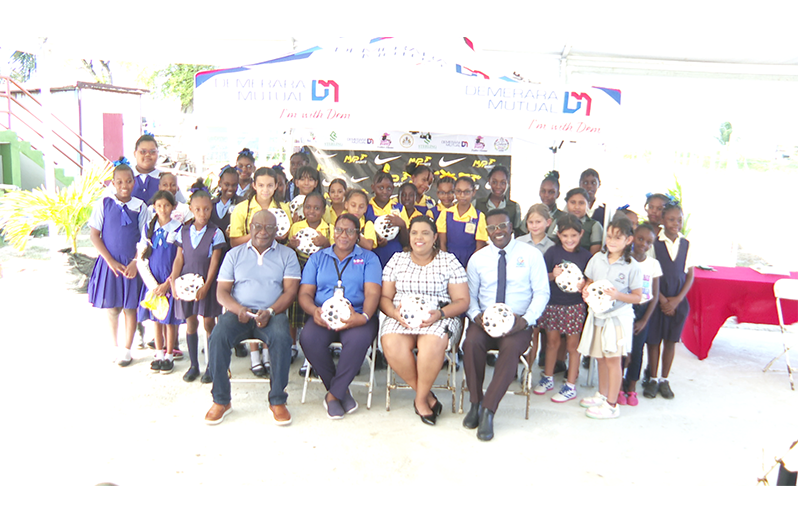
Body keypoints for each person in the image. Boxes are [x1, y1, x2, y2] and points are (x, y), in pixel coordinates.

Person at [204, 210, 301, 426]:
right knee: (217, 337)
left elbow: (290, 293)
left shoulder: (287, 255)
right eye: (258, 226)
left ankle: (277, 400)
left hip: (272, 313)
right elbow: (222, 292)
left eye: (269, 227)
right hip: (239, 313)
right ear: (250, 227)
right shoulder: (234, 254)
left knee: (282, 338)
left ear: (277, 230)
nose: (263, 232)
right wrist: (238, 309)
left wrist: (271, 311)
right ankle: (221, 400)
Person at [462, 209, 550, 441]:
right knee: (470, 343)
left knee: (510, 349)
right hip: (485, 321)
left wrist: (526, 320)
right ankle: (475, 403)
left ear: (512, 226)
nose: (497, 231)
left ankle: (489, 411)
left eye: (502, 225)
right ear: (486, 231)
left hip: (517, 322)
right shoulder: (478, 259)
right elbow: (469, 295)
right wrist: (475, 316)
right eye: (492, 228)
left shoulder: (530, 255)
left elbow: (541, 292)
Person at [380, 216, 469, 425]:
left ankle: (420, 400)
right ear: (409, 236)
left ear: (435, 236)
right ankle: (428, 396)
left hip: (438, 316)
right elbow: (384, 298)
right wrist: (394, 314)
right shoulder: (397, 260)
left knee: (431, 345)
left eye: (425, 233)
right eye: (414, 233)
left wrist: (440, 314)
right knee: (391, 343)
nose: (419, 237)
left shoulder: (449, 261)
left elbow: (462, 300)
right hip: (400, 317)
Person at [298, 214, 382, 419]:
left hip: (357, 315)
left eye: (349, 231)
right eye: (339, 230)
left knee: (358, 341)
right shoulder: (318, 258)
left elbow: (372, 293)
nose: (343, 235)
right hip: (323, 315)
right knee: (308, 339)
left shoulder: (369, 259)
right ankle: (341, 391)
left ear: (357, 235)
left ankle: (332, 396)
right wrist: (313, 311)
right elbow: (305, 294)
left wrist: (363, 317)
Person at [578, 214, 642, 420]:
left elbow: (637, 297)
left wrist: (617, 295)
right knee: (600, 357)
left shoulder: (632, 266)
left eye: (618, 237)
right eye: (609, 236)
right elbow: (588, 281)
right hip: (597, 315)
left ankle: (612, 404)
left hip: (618, 318)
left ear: (628, 240)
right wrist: (585, 291)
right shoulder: (597, 258)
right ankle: (602, 394)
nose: (612, 241)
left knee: (613, 359)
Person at [88, 160, 147, 367]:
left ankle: (126, 349)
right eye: (119, 181)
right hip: (110, 264)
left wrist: (134, 262)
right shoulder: (103, 203)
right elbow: (95, 235)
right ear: (112, 183)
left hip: (131, 265)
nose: (124, 185)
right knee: (112, 307)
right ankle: (113, 346)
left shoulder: (141, 207)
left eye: (129, 181)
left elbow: (144, 239)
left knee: (130, 308)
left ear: (134, 182)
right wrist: (110, 261)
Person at [534, 214, 592, 402]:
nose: (569, 240)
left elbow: (591, 283)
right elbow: (541, 278)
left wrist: (585, 285)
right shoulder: (552, 253)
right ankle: (548, 377)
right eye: (565, 236)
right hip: (553, 304)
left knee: (573, 347)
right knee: (551, 343)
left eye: (573, 236)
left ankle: (570, 385)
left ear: (581, 234)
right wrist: (553, 274)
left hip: (574, 306)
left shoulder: (585, 256)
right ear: (558, 235)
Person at [171, 190, 227, 383]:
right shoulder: (183, 231)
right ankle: (194, 365)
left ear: (211, 209)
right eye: (198, 209)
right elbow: (179, 258)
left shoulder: (216, 233)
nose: (202, 213)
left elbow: (214, 262)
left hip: (207, 285)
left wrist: (207, 286)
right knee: (191, 322)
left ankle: (211, 365)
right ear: (191, 210)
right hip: (186, 285)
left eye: (206, 209)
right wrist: (173, 282)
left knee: (209, 323)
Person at [644, 202, 695, 400]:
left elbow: (690, 275)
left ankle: (665, 379)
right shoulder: (654, 244)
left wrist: (676, 300)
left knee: (670, 342)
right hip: (657, 300)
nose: (676, 223)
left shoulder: (686, 244)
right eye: (671, 219)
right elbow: (649, 274)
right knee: (654, 341)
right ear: (663, 221)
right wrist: (663, 300)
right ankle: (653, 379)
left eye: (679, 219)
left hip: (678, 301)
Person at [136, 190, 184, 374]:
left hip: (169, 282)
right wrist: (154, 286)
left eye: (166, 205)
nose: (162, 209)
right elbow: (141, 259)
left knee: (170, 320)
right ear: (154, 208)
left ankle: (170, 354)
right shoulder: (149, 228)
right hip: (153, 283)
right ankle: (158, 354)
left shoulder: (178, 228)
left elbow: (180, 259)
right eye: (159, 206)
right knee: (156, 319)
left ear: (173, 207)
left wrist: (167, 284)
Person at [622, 222, 661, 406]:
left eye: (648, 242)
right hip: (623, 308)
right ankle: (619, 384)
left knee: (637, 351)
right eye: (640, 239)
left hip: (643, 311)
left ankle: (631, 387)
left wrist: (645, 320)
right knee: (622, 350)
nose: (643, 244)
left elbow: (654, 296)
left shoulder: (653, 265)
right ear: (632, 237)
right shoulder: (623, 259)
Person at [229, 167, 292, 248]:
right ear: (254, 185)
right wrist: (256, 234)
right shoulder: (241, 209)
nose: (265, 190)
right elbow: (234, 243)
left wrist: (283, 236)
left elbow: (289, 237)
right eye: (261, 185)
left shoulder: (283, 208)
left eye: (270, 185)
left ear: (275, 186)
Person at [437, 176, 488, 270]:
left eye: (467, 192)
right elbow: (442, 243)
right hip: (449, 261)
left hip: (471, 262)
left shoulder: (479, 216)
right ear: (454, 192)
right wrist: (447, 264)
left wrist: (468, 267)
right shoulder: (446, 213)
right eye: (458, 191)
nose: (462, 195)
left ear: (474, 192)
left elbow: (479, 246)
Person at [365, 171, 406, 268]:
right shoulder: (366, 208)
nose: (385, 191)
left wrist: (402, 225)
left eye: (389, 188)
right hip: (373, 257)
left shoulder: (399, 208)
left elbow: (406, 242)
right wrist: (376, 240)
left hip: (395, 258)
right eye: (381, 188)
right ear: (373, 187)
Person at [475, 165, 524, 237]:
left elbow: (517, 232)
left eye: (503, 183)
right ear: (489, 181)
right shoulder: (477, 204)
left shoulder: (514, 207)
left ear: (508, 183)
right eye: (494, 182)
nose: (498, 186)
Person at [561, 187, 603, 254]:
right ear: (567, 204)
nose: (577, 207)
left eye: (581, 203)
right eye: (573, 202)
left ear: (588, 205)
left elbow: (594, 255)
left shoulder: (594, 225)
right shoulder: (559, 222)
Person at [209, 166, 241, 251]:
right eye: (227, 184)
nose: (230, 188)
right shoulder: (211, 204)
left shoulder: (241, 204)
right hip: (213, 252)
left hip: (233, 251)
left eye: (234, 185)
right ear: (220, 183)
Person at [130, 134, 161, 204]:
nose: (147, 155)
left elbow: (182, 205)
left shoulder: (165, 178)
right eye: (143, 152)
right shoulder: (124, 176)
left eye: (152, 152)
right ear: (135, 154)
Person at [540, 171, 565, 239]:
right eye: (543, 191)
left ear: (558, 194)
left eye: (551, 192)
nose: (546, 195)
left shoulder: (564, 217)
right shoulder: (532, 214)